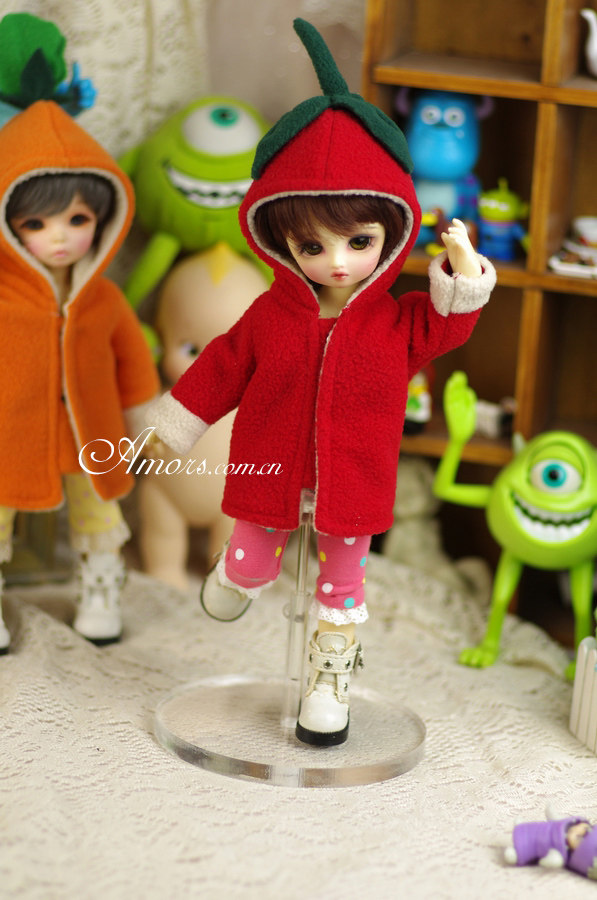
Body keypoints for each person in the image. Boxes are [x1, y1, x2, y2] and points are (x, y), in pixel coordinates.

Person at [148, 19, 497, 745]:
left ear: (392, 234)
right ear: (281, 241)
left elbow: (450, 323)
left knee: (341, 588)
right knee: (251, 556)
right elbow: (220, 367)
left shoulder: (398, 320)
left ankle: (327, 678)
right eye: (313, 244)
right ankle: (239, 573)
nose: (337, 262)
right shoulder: (270, 315)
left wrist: (464, 268)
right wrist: (175, 426)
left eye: (359, 242)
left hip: (353, 481)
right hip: (269, 470)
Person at [0, 100, 159, 651]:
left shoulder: (104, 299)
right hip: (10, 431)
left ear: (103, 220)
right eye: (36, 224)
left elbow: (133, 363)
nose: (59, 238)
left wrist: (147, 420)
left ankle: (101, 587)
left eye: (78, 220)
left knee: (98, 511)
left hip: (91, 429)